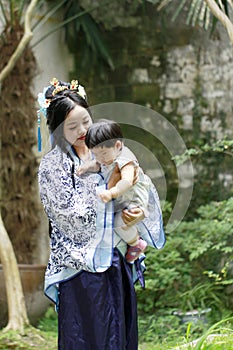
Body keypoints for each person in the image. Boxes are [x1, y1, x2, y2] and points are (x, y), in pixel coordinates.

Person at [37, 77, 165, 350]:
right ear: (58, 128)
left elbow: (137, 183)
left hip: (116, 260)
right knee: (88, 339)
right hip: (81, 270)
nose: (82, 130)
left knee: (120, 336)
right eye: (72, 126)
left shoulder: (106, 147)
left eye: (85, 121)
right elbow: (66, 215)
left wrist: (135, 213)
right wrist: (109, 201)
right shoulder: (52, 165)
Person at [77, 119, 151, 263]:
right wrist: (86, 167)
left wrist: (112, 193)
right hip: (121, 199)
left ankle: (136, 243)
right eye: (95, 154)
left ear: (117, 146)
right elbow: (98, 165)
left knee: (119, 222)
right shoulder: (106, 158)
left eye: (103, 154)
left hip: (134, 200)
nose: (100, 159)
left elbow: (127, 181)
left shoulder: (125, 160)